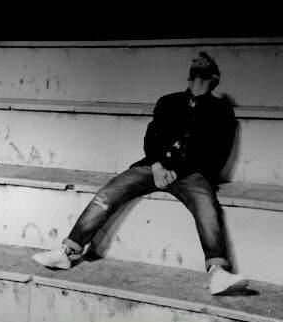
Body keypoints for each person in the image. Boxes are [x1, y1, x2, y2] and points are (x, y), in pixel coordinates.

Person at [33, 52, 248, 296]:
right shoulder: (168, 101)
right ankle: (67, 252)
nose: (199, 60)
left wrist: (176, 171)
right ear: (189, 74)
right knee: (108, 193)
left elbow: (216, 153)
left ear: (215, 77)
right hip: (153, 166)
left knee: (206, 206)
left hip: (191, 173)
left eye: (205, 61)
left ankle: (218, 272)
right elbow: (152, 137)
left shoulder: (221, 110)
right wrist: (157, 166)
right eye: (196, 61)